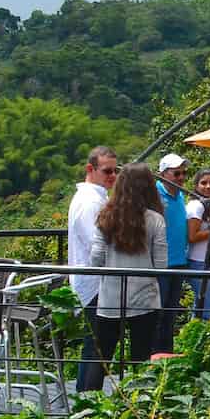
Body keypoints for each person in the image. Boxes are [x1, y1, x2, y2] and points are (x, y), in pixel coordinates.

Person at [83, 162, 167, 395]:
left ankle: (89, 410)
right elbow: (161, 265)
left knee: (100, 360)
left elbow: (96, 259)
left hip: (110, 298)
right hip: (145, 298)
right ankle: (138, 410)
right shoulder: (155, 220)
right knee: (141, 360)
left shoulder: (105, 217)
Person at [68, 146, 117, 360]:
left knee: (100, 346)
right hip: (94, 282)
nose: (113, 176)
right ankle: (87, 392)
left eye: (115, 171)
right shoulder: (90, 202)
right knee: (97, 347)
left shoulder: (96, 198)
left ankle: (89, 391)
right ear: (91, 169)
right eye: (107, 171)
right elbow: (96, 245)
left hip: (97, 281)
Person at [153, 152, 191, 351]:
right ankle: (154, 356)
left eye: (184, 173)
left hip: (178, 260)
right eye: (177, 174)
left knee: (170, 314)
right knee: (158, 314)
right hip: (161, 264)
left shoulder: (181, 194)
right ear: (164, 174)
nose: (181, 178)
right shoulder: (155, 193)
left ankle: (166, 353)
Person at [185, 168, 210, 320]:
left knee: (202, 307)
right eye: (203, 183)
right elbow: (192, 236)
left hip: (209, 260)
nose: (208, 186)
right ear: (196, 186)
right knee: (208, 310)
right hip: (199, 261)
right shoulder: (196, 206)